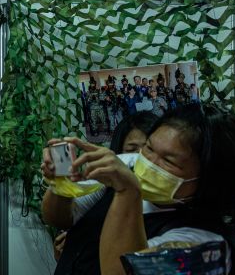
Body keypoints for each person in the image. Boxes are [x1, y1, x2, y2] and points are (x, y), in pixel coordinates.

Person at [41, 104, 235, 275]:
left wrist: (127, 192)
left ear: (210, 179)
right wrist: (61, 182)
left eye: (168, 161)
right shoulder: (130, 164)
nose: (148, 163)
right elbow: (61, 218)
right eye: (149, 148)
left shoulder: (206, 242)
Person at [54, 112, 158, 261]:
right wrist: (60, 176)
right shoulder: (104, 184)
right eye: (131, 151)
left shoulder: (164, 199)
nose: (138, 158)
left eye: (148, 149)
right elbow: (64, 216)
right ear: (118, 153)